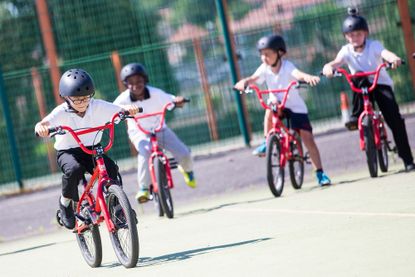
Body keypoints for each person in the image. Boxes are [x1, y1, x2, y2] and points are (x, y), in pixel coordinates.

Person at [35, 69, 141, 229]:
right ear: (66, 98)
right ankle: (65, 204)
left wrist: (129, 110)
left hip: (92, 148)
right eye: (77, 100)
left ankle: (117, 207)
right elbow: (44, 123)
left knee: (111, 169)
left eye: (85, 98)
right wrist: (41, 128)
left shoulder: (97, 106)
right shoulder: (61, 112)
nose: (83, 103)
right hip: (68, 151)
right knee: (74, 170)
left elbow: (118, 109)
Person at [322, 7, 415, 172]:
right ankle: (358, 115)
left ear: (365, 33)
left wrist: (394, 59)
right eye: (351, 35)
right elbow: (336, 62)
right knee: (357, 77)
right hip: (361, 86)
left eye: (358, 34)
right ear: (345, 37)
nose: (355, 38)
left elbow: (386, 53)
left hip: (380, 84)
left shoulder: (374, 45)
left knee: (395, 121)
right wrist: (328, 67)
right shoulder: (346, 51)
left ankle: (407, 159)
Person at [234, 35, 331, 186]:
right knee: (269, 108)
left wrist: (308, 77)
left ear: (279, 53)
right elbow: (253, 79)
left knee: (307, 139)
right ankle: (268, 141)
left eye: (267, 54)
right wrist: (244, 82)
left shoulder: (287, 66)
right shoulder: (264, 69)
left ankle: (320, 173)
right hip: (277, 105)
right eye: (262, 54)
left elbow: (298, 74)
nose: (264, 57)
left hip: (295, 107)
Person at [113, 62, 196, 204]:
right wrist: (112, 116)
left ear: (145, 80)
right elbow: (112, 110)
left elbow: (171, 100)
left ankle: (187, 170)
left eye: (139, 81)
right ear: (126, 84)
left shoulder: (156, 93)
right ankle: (144, 188)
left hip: (160, 129)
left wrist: (178, 101)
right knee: (145, 152)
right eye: (131, 83)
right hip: (139, 132)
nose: (135, 85)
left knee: (184, 153)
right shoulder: (123, 99)